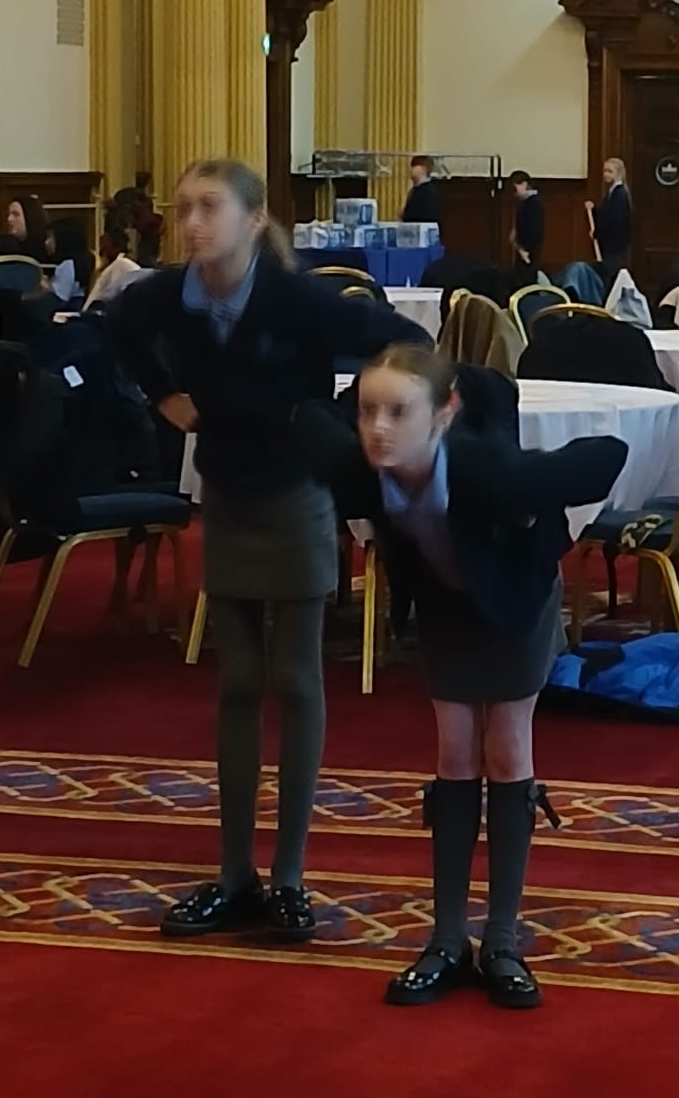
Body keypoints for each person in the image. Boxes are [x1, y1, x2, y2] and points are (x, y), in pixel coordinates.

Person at [107, 158, 428, 942]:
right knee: (238, 681)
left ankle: (288, 876)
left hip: (294, 494)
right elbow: (110, 325)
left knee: (296, 677)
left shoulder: (296, 298)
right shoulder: (170, 296)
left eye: (209, 207)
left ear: (253, 221)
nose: (191, 223)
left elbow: (407, 341)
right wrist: (162, 393)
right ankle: (233, 875)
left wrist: (344, 422)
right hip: (227, 492)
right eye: (184, 207)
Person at [297, 345, 626, 1010]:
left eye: (399, 412)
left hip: (514, 602)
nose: (379, 428)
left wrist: (535, 492)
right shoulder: (362, 465)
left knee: (506, 749)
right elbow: (305, 418)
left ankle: (501, 940)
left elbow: (607, 455)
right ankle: (447, 938)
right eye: (367, 411)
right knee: (453, 752)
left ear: (444, 414)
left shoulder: (487, 468)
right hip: (447, 603)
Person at [586, 157, 632, 290]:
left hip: (614, 245)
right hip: (609, 244)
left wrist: (598, 233)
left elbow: (613, 220)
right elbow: (606, 214)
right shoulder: (612, 193)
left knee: (611, 277)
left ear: (618, 174)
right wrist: (594, 210)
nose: (606, 174)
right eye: (605, 171)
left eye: (610, 171)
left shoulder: (620, 194)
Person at [46, 218, 94, 306]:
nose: (46, 242)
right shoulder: (80, 261)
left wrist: (43, 284)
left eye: (50, 237)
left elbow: (60, 296)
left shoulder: (67, 264)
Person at [508, 171, 545, 270]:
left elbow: (534, 229)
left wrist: (524, 248)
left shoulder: (533, 203)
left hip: (528, 249)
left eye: (515, 188)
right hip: (524, 248)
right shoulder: (527, 203)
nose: (514, 193)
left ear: (524, 184)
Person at [2, 194, 50, 261]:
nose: (9, 219)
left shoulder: (48, 251)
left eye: (16, 214)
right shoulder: (6, 251)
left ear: (30, 217)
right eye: (8, 214)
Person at [403, 156, 441, 226]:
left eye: (414, 166)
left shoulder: (428, 191)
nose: (411, 169)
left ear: (423, 168)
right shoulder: (415, 189)